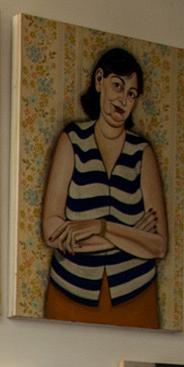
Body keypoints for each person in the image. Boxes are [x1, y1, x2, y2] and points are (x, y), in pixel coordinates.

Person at [40, 47, 168, 328]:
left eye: (132, 94)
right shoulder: (72, 140)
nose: (123, 99)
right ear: (99, 81)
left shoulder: (142, 152)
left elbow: (158, 246)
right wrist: (133, 236)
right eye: (118, 85)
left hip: (136, 296)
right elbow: (52, 232)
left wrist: (99, 227)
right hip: (70, 294)